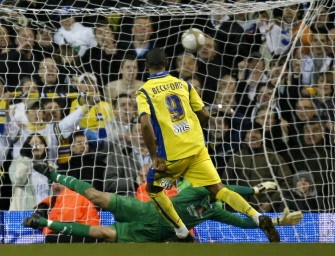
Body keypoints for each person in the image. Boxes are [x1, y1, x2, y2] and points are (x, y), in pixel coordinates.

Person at [135, 48, 280, 242]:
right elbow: (205, 114)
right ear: (167, 63)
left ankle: (182, 232)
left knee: (153, 190)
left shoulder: (144, 91)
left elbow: (145, 124)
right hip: (197, 149)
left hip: (172, 156)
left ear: (146, 67)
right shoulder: (184, 85)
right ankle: (257, 216)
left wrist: (154, 156)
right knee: (219, 189)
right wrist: (193, 130)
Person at [23, 165, 303, 242]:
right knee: (97, 196)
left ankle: (43, 222)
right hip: (145, 209)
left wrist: (277, 221)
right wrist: (254, 190)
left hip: (151, 233)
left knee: (102, 233)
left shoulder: (214, 212)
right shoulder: (192, 187)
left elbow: (244, 222)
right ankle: (54, 173)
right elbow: (161, 183)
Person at [34, 182, 100, 243]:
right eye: (52, 183)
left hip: (87, 235)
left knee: (50, 238)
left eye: (59, 183)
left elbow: (65, 222)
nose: (54, 186)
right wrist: (42, 206)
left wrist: (45, 224)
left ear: (68, 184)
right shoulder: (56, 199)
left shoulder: (72, 196)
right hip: (89, 233)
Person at [9, 133, 50, 210]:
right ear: (27, 147)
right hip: (23, 211)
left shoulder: (49, 166)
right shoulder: (19, 161)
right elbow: (18, 180)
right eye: (34, 144)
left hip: (45, 212)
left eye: (41, 143)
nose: (37, 146)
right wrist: (28, 158)